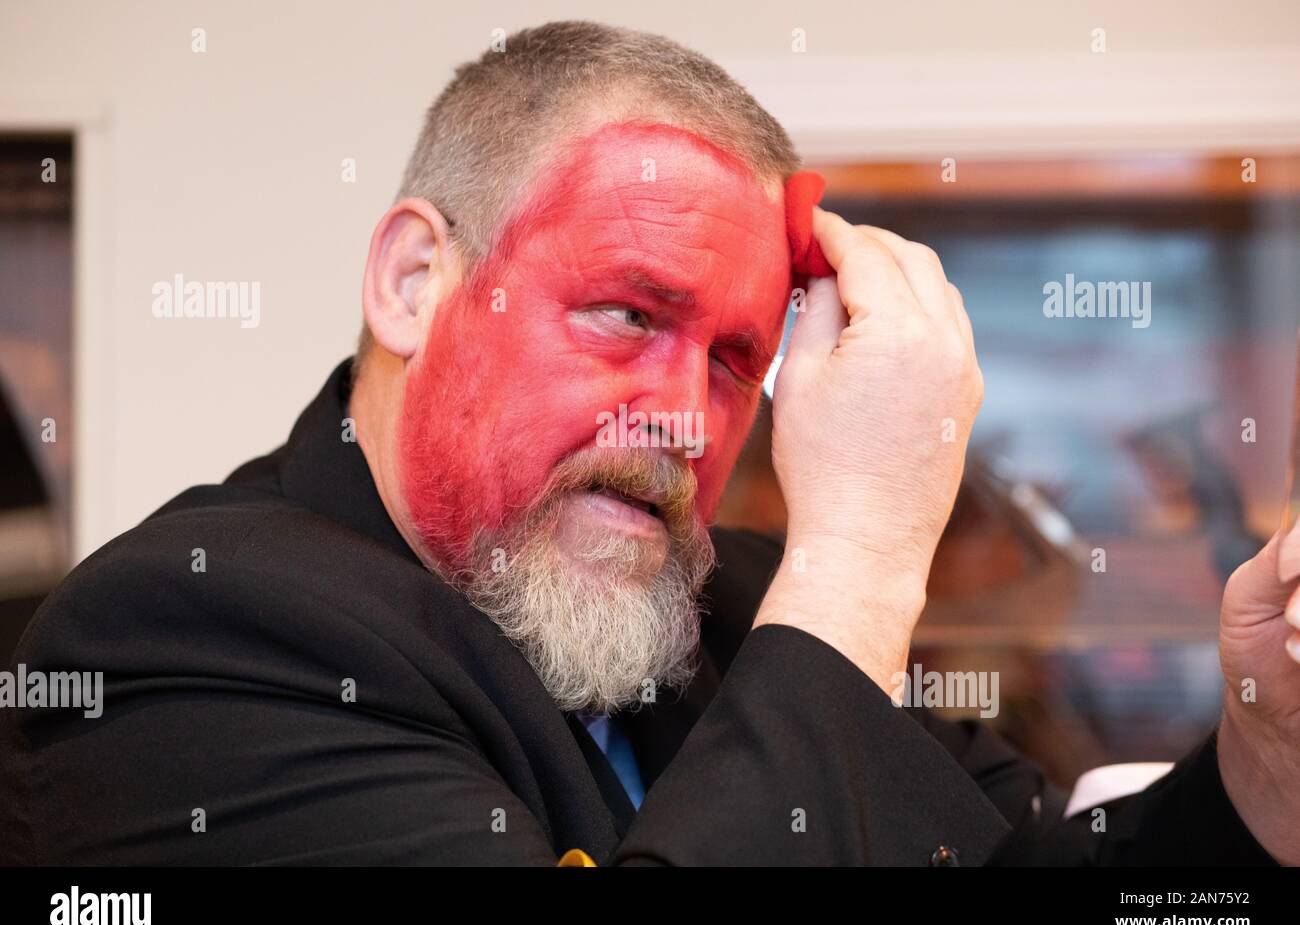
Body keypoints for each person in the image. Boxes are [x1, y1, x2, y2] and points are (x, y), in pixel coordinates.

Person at [1, 21, 1294, 866]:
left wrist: (1263, 758)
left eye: (738, 358)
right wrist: (859, 557)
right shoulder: (181, 637)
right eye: (626, 313)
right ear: (410, 280)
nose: (686, 417)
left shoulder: (726, 611)